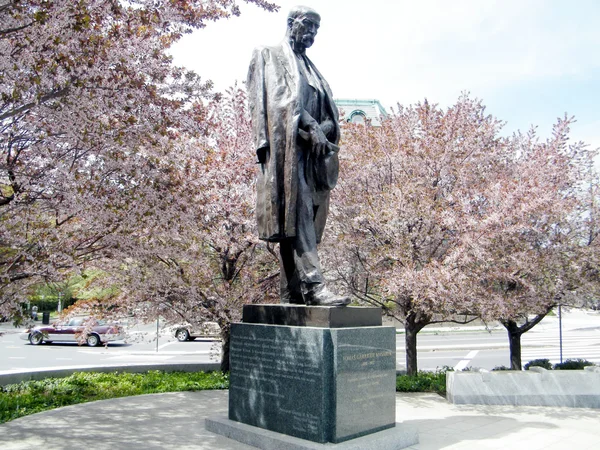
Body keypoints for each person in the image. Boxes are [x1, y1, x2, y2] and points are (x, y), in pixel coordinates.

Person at [247, 6, 349, 307]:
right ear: (292, 24)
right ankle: (315, 286)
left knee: (304, 221)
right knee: (299, 213)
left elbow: (327, 110)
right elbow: (277, 99)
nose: (313, 34)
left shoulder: (311, 68)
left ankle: (291, 292)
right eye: (309, 27)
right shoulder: (270, 54)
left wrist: (325, 127)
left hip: (315, 156)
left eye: (317, 29)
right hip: (287, 154)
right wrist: (309, 125)